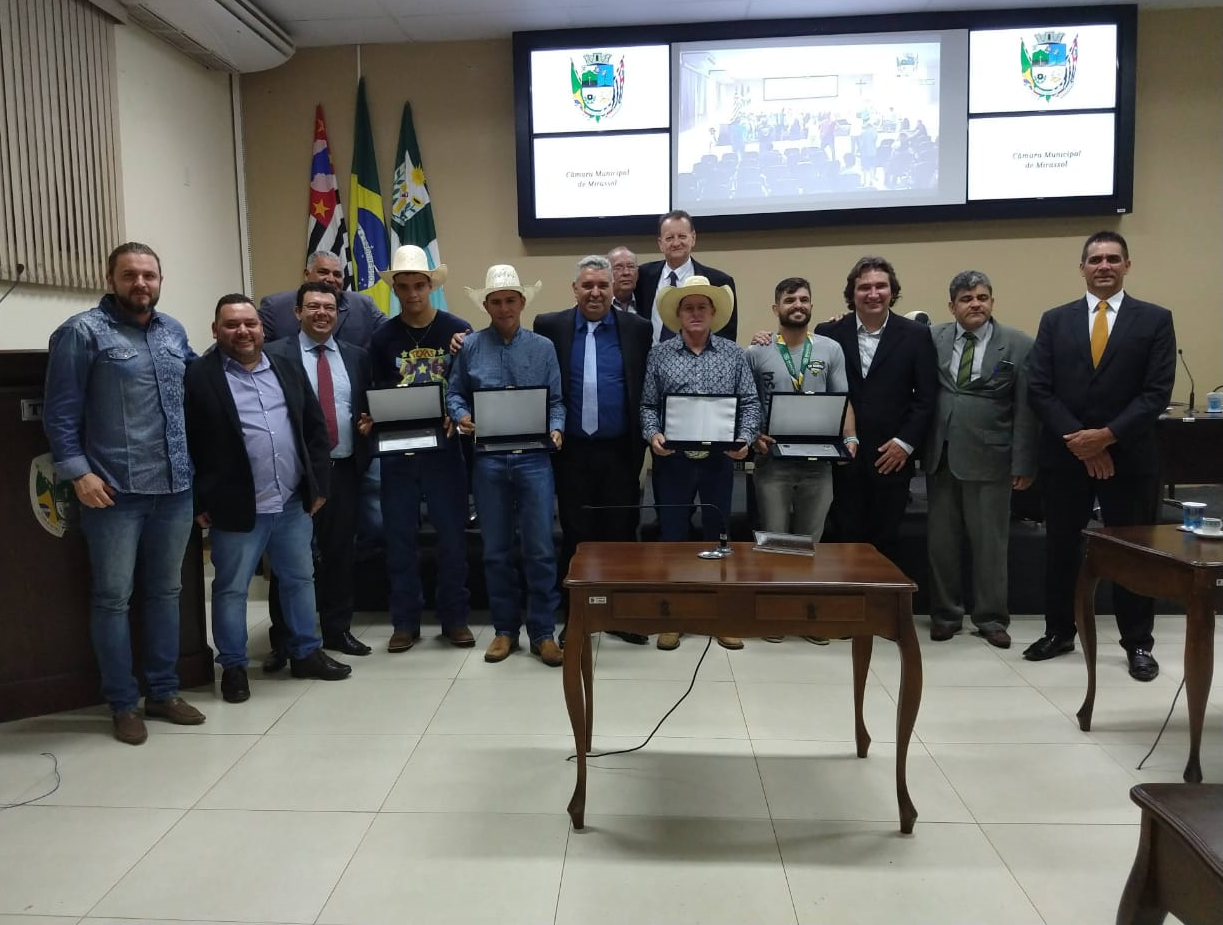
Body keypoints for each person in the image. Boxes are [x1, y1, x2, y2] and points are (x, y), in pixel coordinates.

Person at [43, 242, 206, 745]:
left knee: (167, 593)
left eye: (150, 275)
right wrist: (79, 474)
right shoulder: (81, 333)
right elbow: (59, 413)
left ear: (160, 279)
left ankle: (163, 691)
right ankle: (122, 703)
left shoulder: (174, 331)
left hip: (176, 488)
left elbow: (202, 390)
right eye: (130, 275)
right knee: (113, 599)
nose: (141, 284)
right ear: (109, 278)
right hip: (112, 492)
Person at [1023, 231, 1175, 681]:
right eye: (1095, 259)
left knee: (1132, 552)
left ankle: (1138, 644)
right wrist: (1081, 441)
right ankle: (1059, 631)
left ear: (1127, 265)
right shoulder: (1055, 320)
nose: (1103, 266)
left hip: (1129, 457)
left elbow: (1156, 393)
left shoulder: (1154, 320)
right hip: (1066, 455)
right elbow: (1039, 388)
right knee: (1062, 548)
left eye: (1112, 258)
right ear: (1083, 268)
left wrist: (1106, 438)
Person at [185, 296, 351, 704]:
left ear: (262, 328)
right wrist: (198, 500)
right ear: (215, 330)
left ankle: (306, 653)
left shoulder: (286, 367)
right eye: (231, 325)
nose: (242, 331)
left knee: (299, 580)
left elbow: (314, 428)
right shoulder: (199, 377)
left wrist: (319, 485)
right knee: (230, 590)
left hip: (292, 502)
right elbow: (189, 444)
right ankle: (235, 666)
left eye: (250, 324)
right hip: (237, 507)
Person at [448, 265, 565, 667]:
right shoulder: (469, 348)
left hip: (534, 459)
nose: (503, 307)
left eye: (510, 300)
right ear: (486, 305)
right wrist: (461, 415)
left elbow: (557, 402)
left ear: (522, 303)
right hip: (489, 460)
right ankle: (504, 631)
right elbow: (455, 394)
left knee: (540, 550)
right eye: (496, 301)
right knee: (496, 550)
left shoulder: (543, 348)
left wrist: (557, 428)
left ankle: (543, 633)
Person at [535, 255, 653, 646]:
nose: (596, 292)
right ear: (574, 289)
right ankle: (579, 617)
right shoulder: (550, 326)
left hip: (620, 450)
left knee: (620, 536)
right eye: (587, 285)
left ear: (613, 287)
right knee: (576, 537)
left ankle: (619, 615)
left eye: (603, 285)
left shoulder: (638, 329)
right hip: (571, 452)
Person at [641, 275, 761, 651]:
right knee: (672, 539)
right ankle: (672, 616)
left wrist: (745, 438)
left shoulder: (733, 354)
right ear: (678, 315)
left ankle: (717, 616)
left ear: (713, 313)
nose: (695, 313)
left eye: (702, 307)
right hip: (672, 462)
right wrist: (653, 435)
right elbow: (647, 405)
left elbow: (751, 404)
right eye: (688, 308)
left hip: (718, 462)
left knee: (718, 538)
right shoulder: (659, 354)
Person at [365, 245, 475, 654]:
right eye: (404, 286)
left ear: (430, 285)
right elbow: (375, 393)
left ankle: (454, 619)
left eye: (419, 285)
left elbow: (467, 386)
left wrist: (457, 412)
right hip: (397, 450)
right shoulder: (382, 338)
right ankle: (405, 622)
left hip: (445, 449)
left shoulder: (458, 329)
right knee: (399, 539)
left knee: (451, 538)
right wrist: (371, 417)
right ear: (394, 288)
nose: (411, 293)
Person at [261, 281, 373, 671]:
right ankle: (284, 638)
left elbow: (366, 404)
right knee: (291, 560)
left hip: (343, 469)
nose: (321, 313)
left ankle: (337, 629)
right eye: (313, 306)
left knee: (341, 553)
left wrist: (368, 422)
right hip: (296, 475)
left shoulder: (357, 357)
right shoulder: (274, 355)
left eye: (329, 307)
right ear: (297, 312)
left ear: (338, 313)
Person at [924, 270, 1038, 649]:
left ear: (992, 301)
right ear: (952, 306)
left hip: (991, 457)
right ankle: (945, 614)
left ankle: (990, 617)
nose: (975, 304)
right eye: (966, 299)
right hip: (940, 455)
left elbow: (1027, 410)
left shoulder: (1018, 345)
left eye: (982, 297)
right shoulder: (932, 337)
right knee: (942, 542)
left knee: (990, 544)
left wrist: (1023, 462)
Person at [747, 276, 858, 645]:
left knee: (811, 540)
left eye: (804, 299)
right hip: (772, 460)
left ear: (811, 306)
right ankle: (775, 614)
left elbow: (843, 400)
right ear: (775, 308)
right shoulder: (756, 352)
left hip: (819, 460)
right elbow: (747, 406)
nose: (798, 305)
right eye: (790, 299)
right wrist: (753, 438)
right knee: (775, 539)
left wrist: (851, 439)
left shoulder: (830, 349)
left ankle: (807, 613)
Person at [813, 256, 938, 564]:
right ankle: (849, 608)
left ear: (892, 291)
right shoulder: (829, 332)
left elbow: (926, 397)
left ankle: (881, 611)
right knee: (844, 538)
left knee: (886, 540)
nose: (873, 293)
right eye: (864, 287)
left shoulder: (917, 335)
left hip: (891, 456)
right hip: (844, 457)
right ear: (852, 293)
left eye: (881, 286)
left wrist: (905, 444)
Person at [633, 210, 738, 343]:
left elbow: (727, 338)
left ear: (693, 238)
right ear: (660, 244)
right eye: (669, 238)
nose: (676, 243)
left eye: (682, 236)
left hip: (702, 361)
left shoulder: (719, 282)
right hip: (650, 360)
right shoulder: (642, 276)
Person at [257, 250, 388, 347]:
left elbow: (392, 333)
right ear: (307, 274)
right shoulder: (275, 307)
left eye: (337, 274)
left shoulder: (363, 304)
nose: (331, 279)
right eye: (323, 272)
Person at [608, 245, 639, 313]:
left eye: (631, 267)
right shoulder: (601, 305)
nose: (626, 272)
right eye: (618, 268)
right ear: (608, 273)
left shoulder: (646, 303)